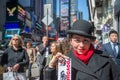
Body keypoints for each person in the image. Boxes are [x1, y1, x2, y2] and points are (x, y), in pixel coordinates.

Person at [44, 20, 120, 80]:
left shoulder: (105, 59)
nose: (81, 45)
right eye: (77, 40)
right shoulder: (65, 61)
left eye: (86, 40)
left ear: (90, 41)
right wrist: (50, 68)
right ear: (70, 41)